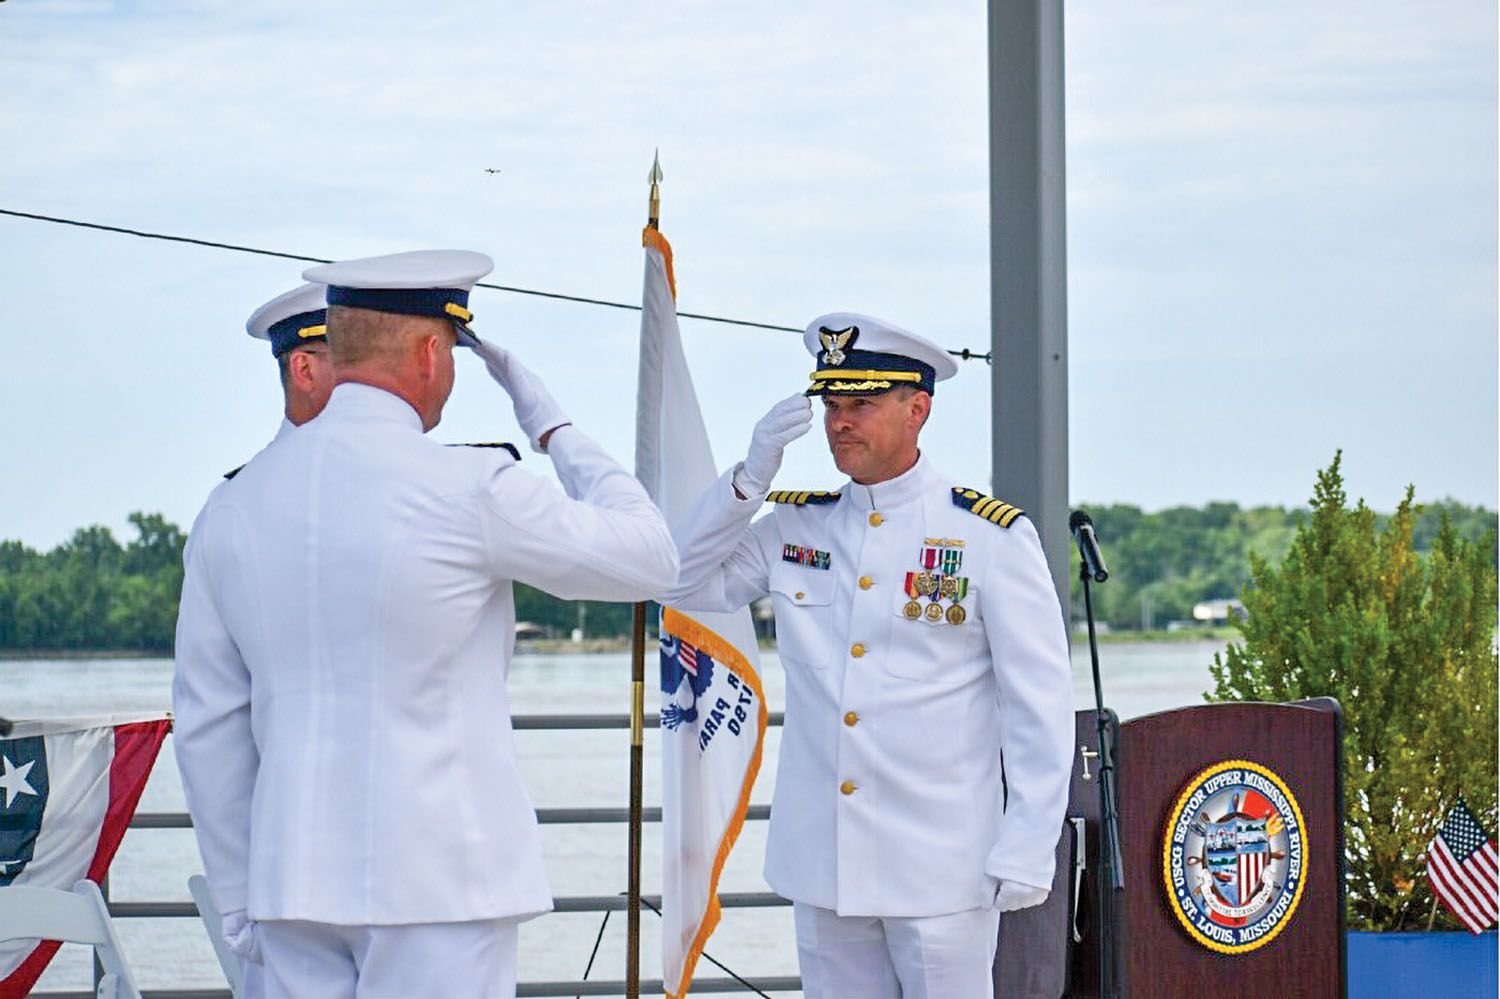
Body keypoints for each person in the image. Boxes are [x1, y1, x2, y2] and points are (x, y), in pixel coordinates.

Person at [173, 249, 679, 999]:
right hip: (441, 884)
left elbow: (207, 723)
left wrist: (243, 893)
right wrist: (552, 423)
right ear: (429, 351)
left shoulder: (232, 507)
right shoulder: (468, 488)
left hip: (291, 886)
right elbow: (652, 556)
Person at [661, 312, 1073, 999]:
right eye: (831, 404)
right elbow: (677, 577)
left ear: (918, 408)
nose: (839, 422)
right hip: (825, 864)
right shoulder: (796, 524)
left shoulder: (988, 538)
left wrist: (1029, 844)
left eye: (861, 403)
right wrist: (748, 480)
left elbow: (1040, 706)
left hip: (941, 869)